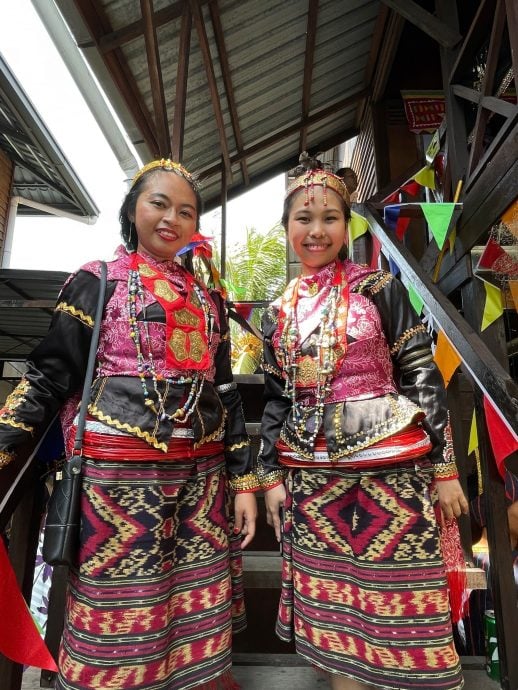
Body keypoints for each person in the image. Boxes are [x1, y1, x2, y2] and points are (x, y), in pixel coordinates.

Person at [0, 158, 259, 690]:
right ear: (132, 209)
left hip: (202, 480)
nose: (171, 219)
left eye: (185, 211)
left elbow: (227, 393)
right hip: (116, 483)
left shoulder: (209, 299)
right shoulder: (96, 282)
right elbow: (48, 378)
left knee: (195, 603)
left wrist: (244, 480)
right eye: (158, 203)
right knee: (118, 609)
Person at [256, 159, 469, 690]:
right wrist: (269, 476)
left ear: (346, 226)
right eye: (303, 218)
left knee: (399, 597)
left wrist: (443, 468)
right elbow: (277, 400)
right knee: (332, 605)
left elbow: (420, 372)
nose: (316, 230)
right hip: (310, 471)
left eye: (329, 218)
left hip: (391, 463)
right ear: (287, 228)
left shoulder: (379, 288)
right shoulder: (275, 312)